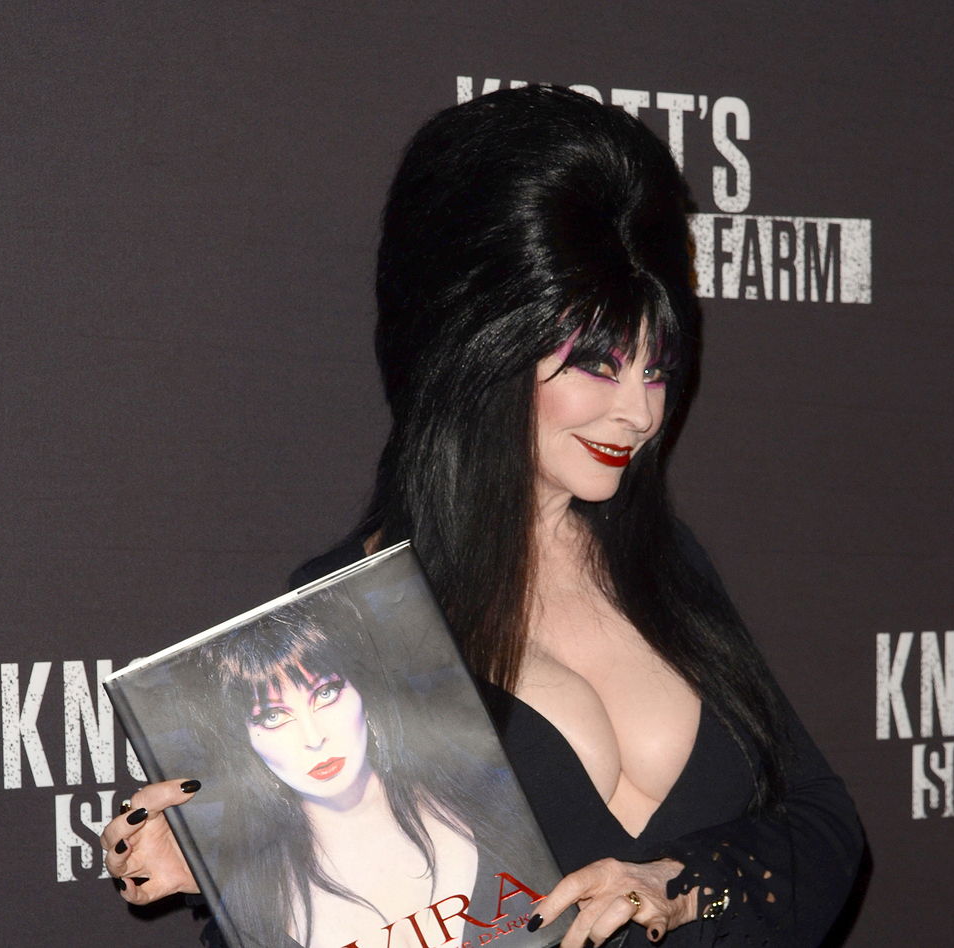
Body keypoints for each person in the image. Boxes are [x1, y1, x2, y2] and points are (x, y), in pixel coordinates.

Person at [102, 85, 863, 947]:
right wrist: (237, 865)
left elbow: (823, 831)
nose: (641, 415)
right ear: (481, 354)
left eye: (658, 368)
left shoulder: (664, 562)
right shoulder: (349, 616)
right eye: (599, 365)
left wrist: (687, 889)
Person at [165, 588, 520, 948]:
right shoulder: (252, 912)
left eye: (326, 693)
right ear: (245, 744)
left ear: (364, 694)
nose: (314, 736)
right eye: (273, 716)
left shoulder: (500, 801)